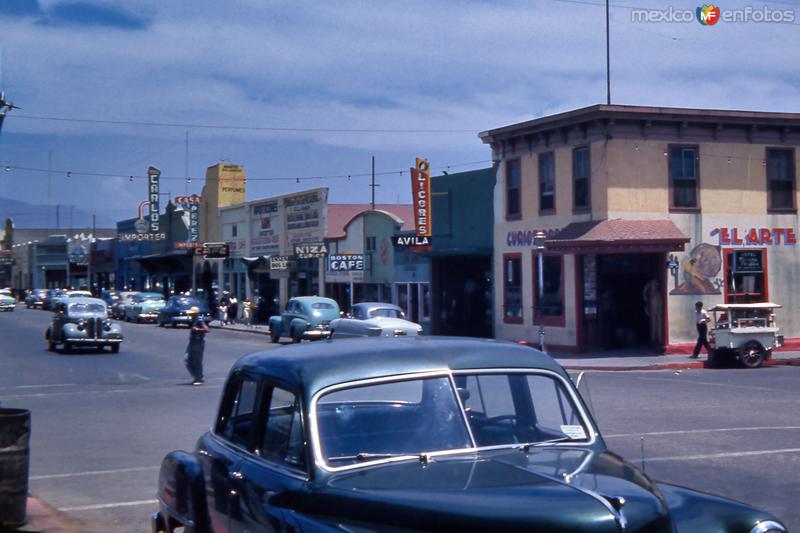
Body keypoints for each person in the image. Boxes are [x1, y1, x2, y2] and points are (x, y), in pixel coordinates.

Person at [185, 306, 209, 385]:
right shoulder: (193, 320)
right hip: (192, 342)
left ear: (196, 314)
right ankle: (196, 376)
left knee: (197, 361)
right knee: (187, 360)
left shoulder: (199, 320)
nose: (190, 315)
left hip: (198, 343)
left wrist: (197, 329)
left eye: (192, 314)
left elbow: (206, 329)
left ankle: (198, 378)